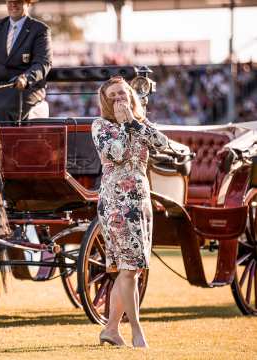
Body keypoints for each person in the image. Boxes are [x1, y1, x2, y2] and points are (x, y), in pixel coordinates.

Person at [91, 76, 169, 348]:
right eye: (112, 96)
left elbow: (162, 144)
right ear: (106, 102)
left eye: (122, 94)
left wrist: (134, 123)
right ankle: (136, 331)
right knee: (128, 269)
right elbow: (114, 154)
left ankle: (111, 329)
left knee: (131, 271)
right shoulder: (101, 126)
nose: (119, 99)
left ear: (131, 95)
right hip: (116, 202)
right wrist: (124, 127)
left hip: (141, 200)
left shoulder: (141, 124)